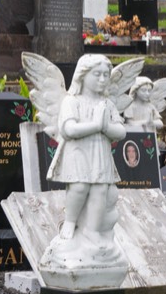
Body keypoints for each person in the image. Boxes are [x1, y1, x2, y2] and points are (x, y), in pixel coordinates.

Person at [45, 54, 126, 265]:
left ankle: (93, 230)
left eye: (106, 75)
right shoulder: (72, 101)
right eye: (97, 75)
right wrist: (96, 126)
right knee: (80, 188)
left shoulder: (106, 103)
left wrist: (107, 127)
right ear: (83, 75)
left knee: (100, 190)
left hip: (100, 154)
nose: (102, 79)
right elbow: (69, 129)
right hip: (78, 153)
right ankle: (70, 222)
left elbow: (121, 131)